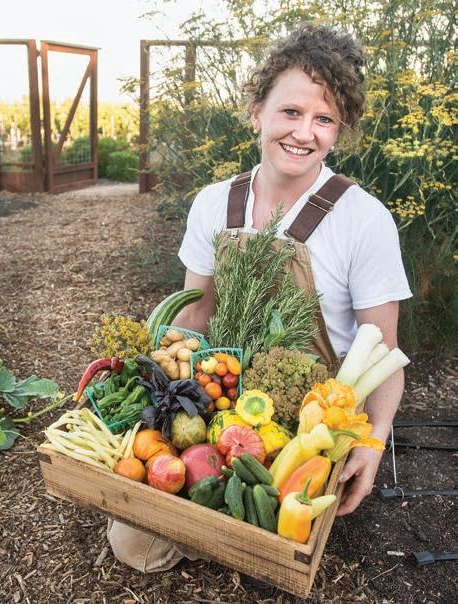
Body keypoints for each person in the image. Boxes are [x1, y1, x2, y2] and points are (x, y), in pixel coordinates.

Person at [107, 23, 412, 573]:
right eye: (290, 112)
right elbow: (196, 314)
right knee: (137, 547)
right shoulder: (213, 203)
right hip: (221, 392)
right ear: (256, 113)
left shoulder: (364, 219)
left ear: (339, 131)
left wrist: (372, 441)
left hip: (314, 415)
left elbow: (384, 351)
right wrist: (162, 400)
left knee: (277, 546)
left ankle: (237, 533)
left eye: (324, 119)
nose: (304, 133)